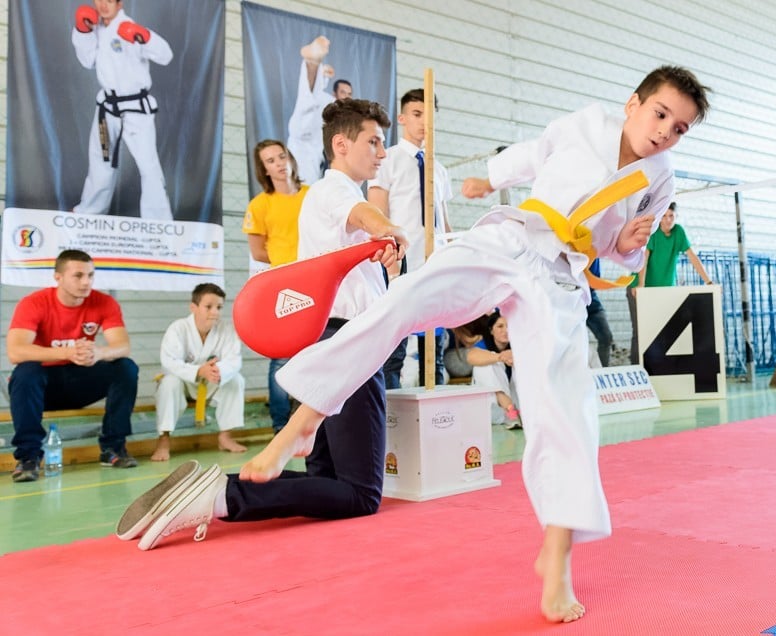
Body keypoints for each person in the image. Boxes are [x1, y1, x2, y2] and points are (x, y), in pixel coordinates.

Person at [124, 66, 708, 623]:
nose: (664, 132)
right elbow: (535, 153)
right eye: (659, 113)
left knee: (568, 412)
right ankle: (303, 421)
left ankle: (556, 559)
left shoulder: (661, 180)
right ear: (633, 104)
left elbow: (623, 253)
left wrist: (629, 247)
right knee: (401, 303)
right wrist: (492, 177)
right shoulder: (582, 124)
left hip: (560, 278)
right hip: (510, 239)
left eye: (679, 127)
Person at [119, 99, 407, 551]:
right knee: (361, 493)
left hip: (324, 337)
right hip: (347, 342)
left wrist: (381, 237)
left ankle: (213, 494)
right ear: (341, 144)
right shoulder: (335, 193)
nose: (382, 153)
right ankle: (220, 496)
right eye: (373, 142)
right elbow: (369, 219)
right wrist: (390, 229)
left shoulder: (329, 196)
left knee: (327, 478)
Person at [6, 249, 139, 482]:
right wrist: (68, 352)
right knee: (26, 371)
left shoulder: (104, 302)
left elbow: (122, 346)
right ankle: (28, 458)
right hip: (44, 387)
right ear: (58, 277)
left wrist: (99, 352)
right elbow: (15, 351)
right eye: (78, 276)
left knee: (125, 367)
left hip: (81, 383)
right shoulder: (34, 303)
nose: (86, 282)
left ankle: (113, 448)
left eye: (90, 275)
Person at [368, 88, 454, 388]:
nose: (424, 123)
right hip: (402, 264)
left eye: (430, 116)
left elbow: (444, 221)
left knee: (436, 349)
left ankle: (435, 417)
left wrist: (451, 254)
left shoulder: (439, 170)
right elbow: (377, 214)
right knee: (395, 349)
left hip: (435, 266)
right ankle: (390, 419)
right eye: (417, 114)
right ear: (403, 118)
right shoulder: (387, 160)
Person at [71, 0, 174, 220]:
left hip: (136, 110)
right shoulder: (94, 27)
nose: (103, 5)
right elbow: (86, 60)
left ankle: (159, 222)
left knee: (148, 167)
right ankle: (89, 213)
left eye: (109, 1)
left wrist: (144, 36)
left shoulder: (129, 26)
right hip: (107, 109)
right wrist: (82, 31)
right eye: (99, 0)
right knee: (101, 163)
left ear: (120, 3)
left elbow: (166, 56)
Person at [242, 139, 309, 433]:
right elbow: (258, 251)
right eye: (270, 161)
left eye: (281, 156)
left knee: (319, 348)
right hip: (283, 285)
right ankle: (281, 426)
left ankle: (310, 419)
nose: (279, 164)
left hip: (316, 281)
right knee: (282, 356)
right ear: (264, 169)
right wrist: (287, 263)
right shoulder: (260, 205)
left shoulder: (312, 195)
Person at [152, 284, 247, 462]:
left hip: (212, 380)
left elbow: (234, 360)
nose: (215, 312)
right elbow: (169, 361)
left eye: (219, 307)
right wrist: (198, 370)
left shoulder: (227, 329)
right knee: (169, 382)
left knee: (236, 380)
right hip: (185, 382)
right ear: (193, 307)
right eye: (208, 307)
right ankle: (164, 439)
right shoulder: (178, 328)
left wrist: (219, 370)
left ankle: (225, 436)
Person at [627, 202, 712, 364]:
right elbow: (644, 257)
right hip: (640, 289)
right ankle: (637, 368)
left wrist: (708, 281)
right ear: (659, 219)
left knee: (663, 330)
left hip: (662, 292)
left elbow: (692, 256)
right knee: (640, 332)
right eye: (664, 216)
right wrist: (641, 285)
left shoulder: (678, 232)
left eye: (671, 216)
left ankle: (660, 368)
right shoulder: (653, 233)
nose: (667, 220)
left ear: (676, 217)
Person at [287, 36, 340, 185]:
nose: (346, 97)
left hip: (316, 156)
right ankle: (312, 63)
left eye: (349, 94)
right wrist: (317, 69)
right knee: (308, 103)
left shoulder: (338, 110)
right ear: (334, 93)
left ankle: (313, 64)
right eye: (343, 93)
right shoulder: (324, 99)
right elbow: (310, 97)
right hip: (301, 141)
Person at [470, 312, 522, 429]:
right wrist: (500, 357)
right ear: (491, 330)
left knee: (520, 362)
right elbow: (471, 357)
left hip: (517, 402)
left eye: (509, 326)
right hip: (490, 405)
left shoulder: (519, 344)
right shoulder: (484, 344)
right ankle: (510, 410)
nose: (506, 330)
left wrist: (514, 356)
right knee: (487, 363)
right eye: (500, 326)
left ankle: (512, 412)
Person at [585, 260, 614, 367]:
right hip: (569, 295)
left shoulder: (595, 247)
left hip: (590, 296)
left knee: (606, 337)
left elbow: (595, 279)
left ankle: (603, 372)